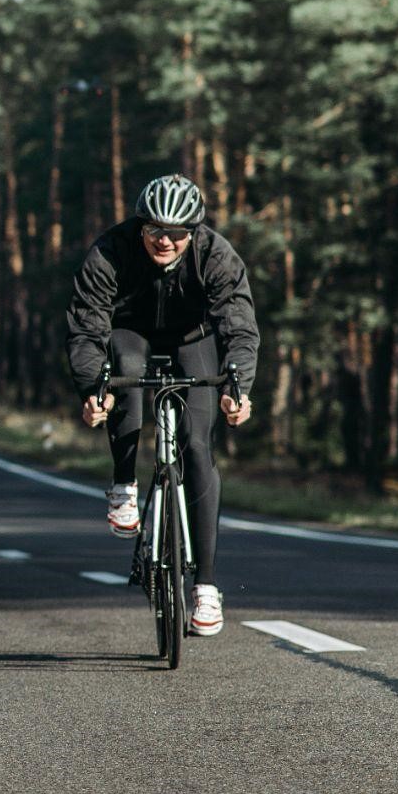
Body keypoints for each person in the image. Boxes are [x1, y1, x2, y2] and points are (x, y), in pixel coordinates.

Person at [66, 173, 257, 635]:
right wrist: (94, 389)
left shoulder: (215, 254)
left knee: (196, 447)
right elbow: (87, 330)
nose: (165, 241)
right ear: (140, 227)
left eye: (176, 234)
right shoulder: (110, 252)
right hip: (129, 332)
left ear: (193, 232)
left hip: (195, 339)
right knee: (125, 371)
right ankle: (123, 484)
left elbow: (238, 325)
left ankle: (206, 588)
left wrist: (238, 388)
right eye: (155, 231)